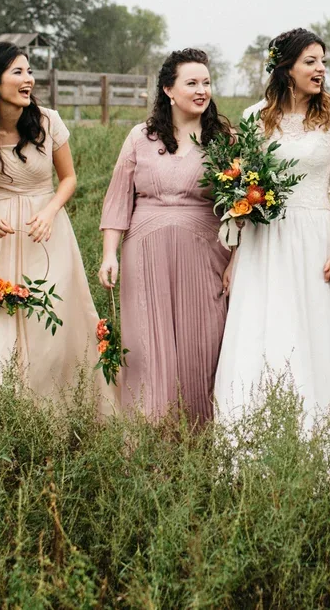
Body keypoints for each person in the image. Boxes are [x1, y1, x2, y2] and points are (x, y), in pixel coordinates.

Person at [212, 29, 330, 439]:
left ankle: (328, 435)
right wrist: (236, 259)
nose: (320, 69)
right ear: (285, 67)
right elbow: (247, 194)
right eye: (310, 61)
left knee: (321, 336)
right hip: (266, 243)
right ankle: (261, 437)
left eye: (323, 62)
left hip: (316, 237)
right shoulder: (255, 117)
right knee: (265, 333)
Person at [0, 42, 114, 412]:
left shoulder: (48, 121)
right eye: (19, 72)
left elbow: (69, 178)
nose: (30, 79)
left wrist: (51, 210)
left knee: (49, 331)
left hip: (47, 234)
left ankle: (55, 416)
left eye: (29, 72)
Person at [98, 49, 233, 425]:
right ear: (169, 90)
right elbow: (117, 200)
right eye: (192, 83)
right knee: (148, 345)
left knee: (202, 343)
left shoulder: (225, 140)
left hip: (205, 252)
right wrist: (110, 254)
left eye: (206, 82)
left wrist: (235, 263)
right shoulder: (140, 138)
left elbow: (240, 213)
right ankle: (148, 434)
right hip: (145, 252)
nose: (201, 90)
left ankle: (200, 433)